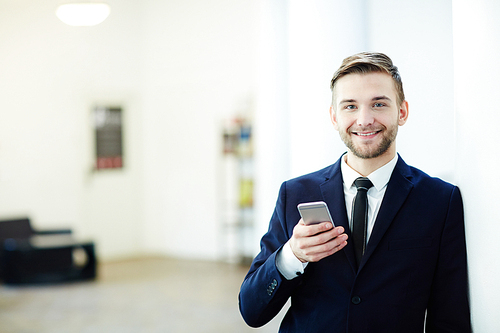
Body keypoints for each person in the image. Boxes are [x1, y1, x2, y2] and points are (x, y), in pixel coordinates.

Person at [238, 52, 471, 332]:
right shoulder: (295, 193)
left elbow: (449, 317)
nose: (364, 120)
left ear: (402, 111)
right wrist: (292, 255)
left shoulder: (440, 201)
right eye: (350, 106)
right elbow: (252, 311)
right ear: (334, 116)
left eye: (379, 104)